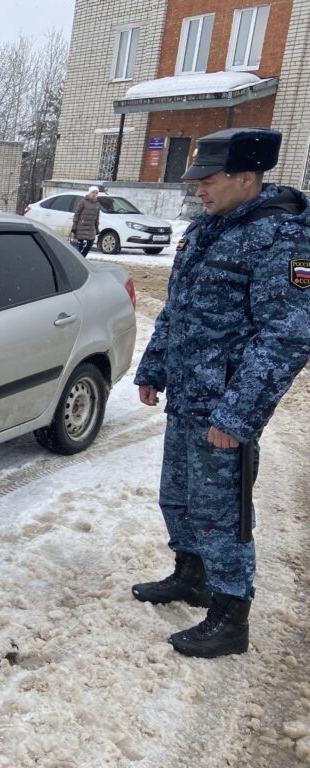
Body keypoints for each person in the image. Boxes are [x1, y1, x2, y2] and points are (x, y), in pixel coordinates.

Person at [132, 127, 310, 658]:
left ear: (247, 178)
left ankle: (231, 616)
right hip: (188, 397)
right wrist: (154, 366)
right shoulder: (206, 229)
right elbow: (179, 307)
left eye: (207, 181)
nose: (198, 191)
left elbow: (289, 333)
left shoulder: (280, 237)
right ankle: (191, 575)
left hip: (225, 406)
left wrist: (238, 416)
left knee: (222, 513)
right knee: (179, 496)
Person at [71, 185, 101, 256]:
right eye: (93, 192)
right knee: (79, 245)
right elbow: (77, 214)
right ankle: (78, 258)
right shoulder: (83, 202)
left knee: (90, 243)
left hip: (91, 228)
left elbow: (97, 218)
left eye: (96, 193)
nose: (94, 194)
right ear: (89, 193)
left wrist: (97, 229)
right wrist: (74, 227)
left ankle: (82, 257)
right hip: (81, 227)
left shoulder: (97, 204)